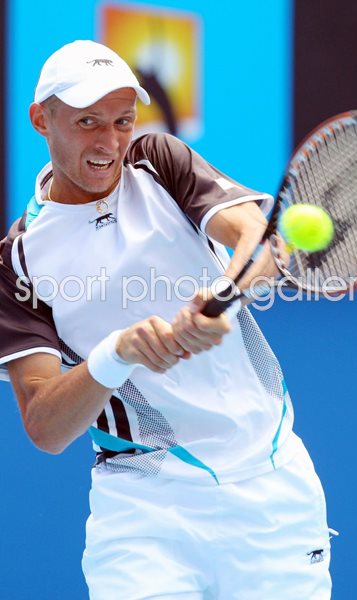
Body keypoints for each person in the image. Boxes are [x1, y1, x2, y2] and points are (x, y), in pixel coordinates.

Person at [0, 40, 332, 599]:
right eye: (87, 122)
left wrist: (226, 292)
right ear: (42, 119)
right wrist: (117, 353)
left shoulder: (159, 160)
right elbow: (45, 427)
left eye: (122, 120)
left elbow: (260, 240)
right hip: (143, 507)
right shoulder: (16, 261)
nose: (109, 142)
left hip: (271, 485)